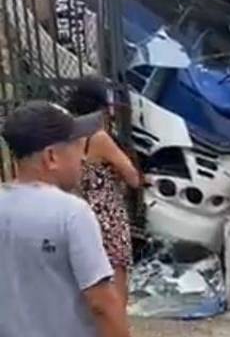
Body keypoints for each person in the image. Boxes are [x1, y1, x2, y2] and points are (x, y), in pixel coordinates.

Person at [0, 101, 131, 337]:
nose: (82, 158)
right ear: (51, 157)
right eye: (75, 147)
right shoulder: (72, 213)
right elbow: (101, 304)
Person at [66, 76, 143, 305]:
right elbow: (132, 177)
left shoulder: (66, 135)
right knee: (116, 286)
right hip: (107, 216)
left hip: (79, 213)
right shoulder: (98, 138)